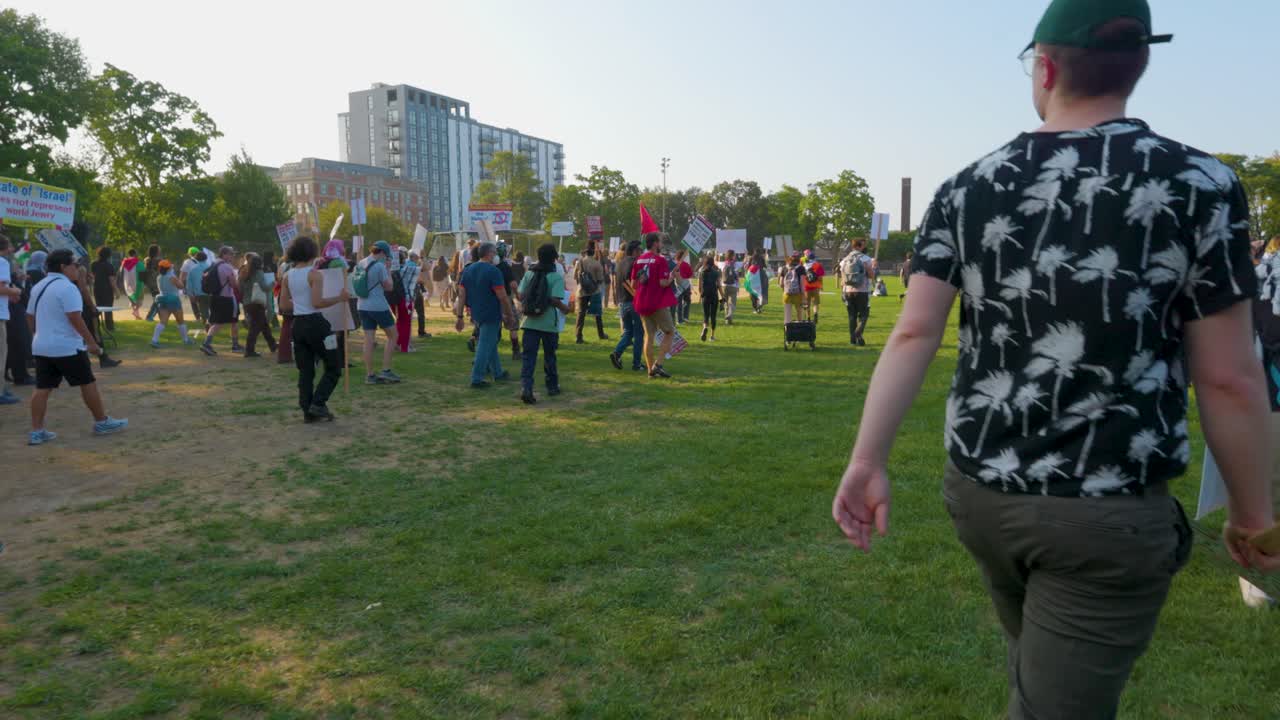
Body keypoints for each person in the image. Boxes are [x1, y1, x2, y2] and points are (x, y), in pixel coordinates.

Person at [831, 2, 1280, 717]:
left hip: (981, 495)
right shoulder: (1201, 186)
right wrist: (1254, 513)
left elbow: (913, 335)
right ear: (1140, 64)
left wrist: (866, 460)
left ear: (1044, 66)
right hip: (1108, 515)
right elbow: (1228, 375)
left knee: (1040, 676)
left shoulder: (968, 186)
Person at [25, 249, 128, 445]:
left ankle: (37, 431)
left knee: (42, 388)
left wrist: (39, 334)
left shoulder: (39, 286)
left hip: (42, 345)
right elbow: (75, 318)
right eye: (75, 265)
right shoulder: (68, 288)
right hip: (66, 347)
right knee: (87, 382)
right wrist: (91, 343)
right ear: (63, 267)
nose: (78, 269)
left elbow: (29, 315)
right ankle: (101, 422)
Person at [279, 236, 349, 423]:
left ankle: (307, 410)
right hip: (316, 324)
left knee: (306, 370)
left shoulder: (287, 276)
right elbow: (317, 303)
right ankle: (318, 403)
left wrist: (300, 305)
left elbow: (284, 305)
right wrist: (339, 297)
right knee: (334, 366)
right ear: (312, 252)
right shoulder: (314, 275)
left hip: (298, 325)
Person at [517, 243, 574, 404]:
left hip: (529, 322)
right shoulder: (555, 276)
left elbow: (521, 295)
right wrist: (566, 309)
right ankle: (552, 386)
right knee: (550, 356)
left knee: (528, 357)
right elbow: (555, 300)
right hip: (548, 323)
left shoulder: (529, 274)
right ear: (554, 259)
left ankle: (526, 387)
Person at [456, 242, 515, 389]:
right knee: (484, 345)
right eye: (495, 253)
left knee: (490, 342)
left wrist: (460, 317)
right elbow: (502, 296)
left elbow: (462, 295)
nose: (496, 256)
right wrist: (509, 315)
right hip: (491, 313)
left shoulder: (468, 270)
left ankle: (498, 372)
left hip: (476, 313)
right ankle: (477, 378)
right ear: (489, 254)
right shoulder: (494, 271)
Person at [631, 232, 678, 379]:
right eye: (660, 242)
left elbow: (633, 284)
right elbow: (662, 283)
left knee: (649, 336)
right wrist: (671, 277)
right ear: (655, 243)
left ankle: (650, 372)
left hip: (641, 302)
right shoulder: (660, 260)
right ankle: (658, 364)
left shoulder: (638, 260)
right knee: (669, 331)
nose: (662, 245)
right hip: (657, 302)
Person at [356, 241, 402, 384]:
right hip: (378, 306)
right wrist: (388, 270)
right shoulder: (380, 266)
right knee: (393, 335)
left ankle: (370, 375)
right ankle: (386, 370)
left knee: (368, 340)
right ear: (381, 252)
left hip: (362, 305)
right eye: (386, 255)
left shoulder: (361, 263)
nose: (386, 258)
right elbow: (389, 287)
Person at [609, 241, 645, 372]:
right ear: (634, 251)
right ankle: (636, 364)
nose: (641, 252)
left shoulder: (619, 264)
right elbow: (640, 282)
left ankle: (617, 353)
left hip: (622, 302)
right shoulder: (636, 263)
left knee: (628, 332)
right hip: (634, 302)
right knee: (639, 334)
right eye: (640, 250)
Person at [201, 246, 242, 356]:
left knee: (218, 322)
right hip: (226, 298)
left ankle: (233, 344)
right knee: (224, 322)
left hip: (214, 297)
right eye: (231, 254)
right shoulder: (227, 267)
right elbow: (233, 284)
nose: (233, 256)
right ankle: (207, 344)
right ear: (224, 254)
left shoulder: (213, 265)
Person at [147, 259, 192, 348]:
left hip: (162, 299)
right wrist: (180, 279)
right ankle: (186, 340)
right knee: (180, 321)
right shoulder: (172, 276)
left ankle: (154, 340)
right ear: (168, 268)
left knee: (163, 321)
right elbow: (181, 286)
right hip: (173, 300)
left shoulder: (159, 277)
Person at [238, 253, 276, 358]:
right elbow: (264, 287)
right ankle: (249, 350)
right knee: (255, 328)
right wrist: (272, 284)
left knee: (264, 325)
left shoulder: (243, 272)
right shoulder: (259, 273)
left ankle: (272, 345)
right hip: (256, 303)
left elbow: (240, 288)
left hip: (247, 303)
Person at [840, 239, 877, 346]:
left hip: (848, 291)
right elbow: (871, 275)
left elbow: (842, 277)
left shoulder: (845, 259)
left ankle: (853, 340)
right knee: (864, 315)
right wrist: (872, 268)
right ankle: (858, 333)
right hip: (862, 290)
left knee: (852, 316)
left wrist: (843, 291)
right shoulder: (866, 259)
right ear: (860, 246)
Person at [0, 235, 23, 405]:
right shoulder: (2, 262)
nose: (11, 250)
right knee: (1, 355)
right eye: (8, 246)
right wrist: (15, 292)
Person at [573, 241, 608, 344]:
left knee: (581, 314)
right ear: (593, 253)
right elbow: (600, 279)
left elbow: (575, 277)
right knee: (597, 314)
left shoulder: (579, 262)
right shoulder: (597, 263)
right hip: (594, 291)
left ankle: (578, 336)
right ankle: (601, 334)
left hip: (581, 291)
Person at [91, 246, 117, 331]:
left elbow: (93, 276)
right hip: (107, 290)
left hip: (97, 288)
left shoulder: (94, 264)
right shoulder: (109, 266)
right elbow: (111, 280)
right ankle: (110, 327)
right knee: (108, 308)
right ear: (109, 255)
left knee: (98, 307)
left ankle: (95, 325)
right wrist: (117, 291)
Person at [178, 247, 205, 325]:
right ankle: (205, 317)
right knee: (202, 300)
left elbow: (183, 275)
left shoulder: (187, 262)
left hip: (191, 284)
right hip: (202, 283)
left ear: (189, 254)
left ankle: (198, 318)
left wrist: (181, 285)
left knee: (193, 301)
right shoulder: (204, 261)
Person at [698, 252, 721, 342]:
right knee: (713, 316)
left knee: (706, 315)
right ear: (713, 263)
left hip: (705, 296)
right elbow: (719, 286)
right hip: (714, 296)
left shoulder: (702, 273)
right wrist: (722, 297)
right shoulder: (716, 273)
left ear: (705, 263)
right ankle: (712, 336)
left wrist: (701, 294)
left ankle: (704, 327)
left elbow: (700, 287)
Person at [408, 251, 431, 340]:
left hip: (406, 292)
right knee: (420, 312)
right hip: (415, 291)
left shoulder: (405, 264)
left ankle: (404, 332)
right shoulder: (414, 266)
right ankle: (421, 332)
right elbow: (420, 279)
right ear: (413, 258)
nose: (418, 259)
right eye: (417, 258)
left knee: (407, 314)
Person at [780, 252, 807, 325]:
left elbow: (781, 283)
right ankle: (799, 329)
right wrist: (804, 295)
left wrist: (785, 290)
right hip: (797, 293)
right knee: (799, 313)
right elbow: (802, 283)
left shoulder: (784, 268)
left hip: (787, 294)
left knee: (787, 315)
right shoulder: (801, 268)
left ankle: (787, 331)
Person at [803, 252, 827, 325]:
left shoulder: (804, 265)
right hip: (816, 287)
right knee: (815, 303)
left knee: (807, 303)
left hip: (806, 287)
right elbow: (820, 278)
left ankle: (808, 317)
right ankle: (815, 314)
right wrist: (821, 286)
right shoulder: (818, 265)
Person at [120, 250, 144, 319]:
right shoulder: (139, 263)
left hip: (127, 285)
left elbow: (121, 273)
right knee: (140, 300)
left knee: (133, 300)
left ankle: (137, 315)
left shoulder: (124, 263)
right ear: (135, 254)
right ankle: (136, 311)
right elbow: (143, 273)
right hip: (138, 284)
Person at [673, 249, 694, 325]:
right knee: (687, 301)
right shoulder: (686, 264)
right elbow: (691, 275)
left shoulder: (675, 264)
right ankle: (685, 317)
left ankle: (679, 320)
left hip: (677, 284)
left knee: (679, 303)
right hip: (686, 284)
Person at [142, 244, 161, 321]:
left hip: (150, 284)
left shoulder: (147, 260)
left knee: (158, 300)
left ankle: (160, 316)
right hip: (157, 283)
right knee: (158, 301)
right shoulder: (158, 261)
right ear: (156, 251)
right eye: (159, 249)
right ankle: (149, 316)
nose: (160, 250)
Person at [721, 251, 740, 325]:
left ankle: (727, 321)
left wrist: (716, 254)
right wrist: (746, 254)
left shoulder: (723, 264)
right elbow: (745, 261)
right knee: (733, 303)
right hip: (733, 285)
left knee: (725, 303)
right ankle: (729, 315)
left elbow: (715, 261)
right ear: (733, 256)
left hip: (724, 285)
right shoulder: (736, 264)